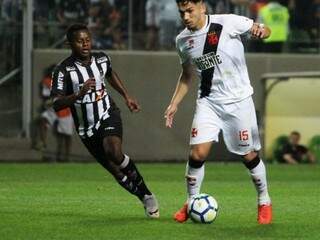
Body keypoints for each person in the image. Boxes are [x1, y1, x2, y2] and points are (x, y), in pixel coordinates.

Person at [164, 0, 272, 224]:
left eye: (189, 11)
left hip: (238, 101)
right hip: (209, 102)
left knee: (248, 156)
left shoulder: (228, 22)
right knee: (197, 154)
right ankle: (192, 201)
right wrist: (174, 103)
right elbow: (186, 76)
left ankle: (264, 200)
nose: (185, 17)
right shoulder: (182, 40)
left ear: (202, 7)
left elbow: (264, 29)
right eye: (181, 12)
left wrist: (262, 31)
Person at [50, 23, 159, 218]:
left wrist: (127, 96)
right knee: (117, 172)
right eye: (79, 41)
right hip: (86, 128)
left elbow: (109, 73)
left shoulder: (101, 58)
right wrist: (78, 94)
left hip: (108, 113)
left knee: (114, 152)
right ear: (70, 43)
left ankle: (148, 194)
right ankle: (142, 197)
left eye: (87, 40)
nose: (85, 44)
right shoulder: (63, 70)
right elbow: (56, 103)